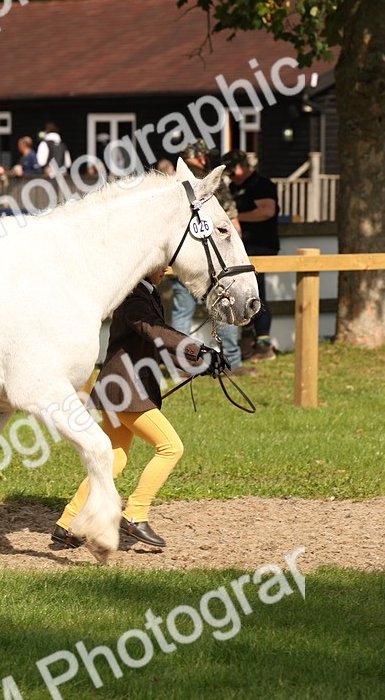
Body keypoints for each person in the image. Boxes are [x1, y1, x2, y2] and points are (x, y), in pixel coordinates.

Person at [52, 264, 218, 550]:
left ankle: (67, 524)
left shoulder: (146, 293)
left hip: (121, 389)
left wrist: (200, 361)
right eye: (159, 264)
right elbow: (154, 331)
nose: (166, 270)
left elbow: (157, 341)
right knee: (170, 448)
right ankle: (135, 514)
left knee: (113, 460)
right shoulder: (133, 296)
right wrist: (197, 352)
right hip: (127, 391)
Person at [168, 140, 248, 374]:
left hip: (182, 257)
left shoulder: (174, 180)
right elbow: (232, 221)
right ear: (202, 157)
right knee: (225, 306)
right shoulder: (211, 181)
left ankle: (181, 365)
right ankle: (231, 362)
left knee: (182, 311)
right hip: (215, 260)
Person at [226, 150, 280, 361]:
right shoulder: (233, 188)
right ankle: (248, 338)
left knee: (258, 293)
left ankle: (263, 344)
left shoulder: (261, 184)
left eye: (232, 171)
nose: (230, 176)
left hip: (261, 246)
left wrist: (237, 217)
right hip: (244, 247)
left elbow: (267, 211)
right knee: (244, 292)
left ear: (241, 167)